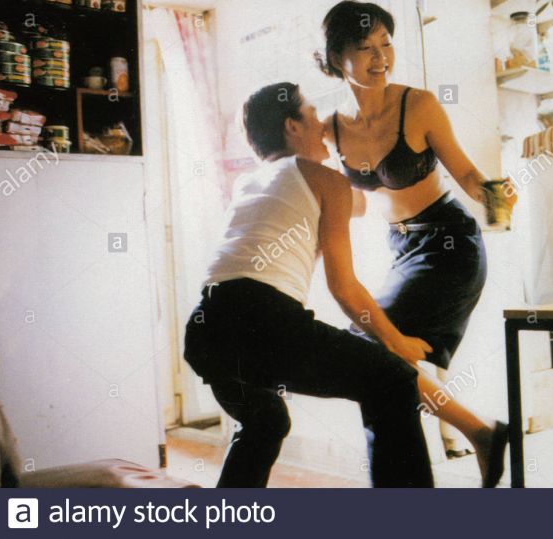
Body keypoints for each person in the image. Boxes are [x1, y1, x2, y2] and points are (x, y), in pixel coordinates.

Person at [183, 82, 434, 488]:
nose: (323, 125)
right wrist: (396, 341)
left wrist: (351, 152)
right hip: (261, 319)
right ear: (292, 126)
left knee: (265, 420)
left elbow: (358, 202)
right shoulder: (325, 180)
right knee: (392, 381)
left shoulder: (248, 183)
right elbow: (344, 287)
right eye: (314, 115)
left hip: (205, 330)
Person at [316, 1, 508, 486]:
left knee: (370, 349)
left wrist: (496, 194)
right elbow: (353, 200)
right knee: (378, 360)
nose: (381, 57)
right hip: (401, 249)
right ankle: (479, 434)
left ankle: (474, 437)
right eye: (366, 48)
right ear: (337, 57)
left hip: (449, 245)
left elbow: (467, 173)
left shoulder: (418, 105)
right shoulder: (330, 127)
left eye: (386, 44)